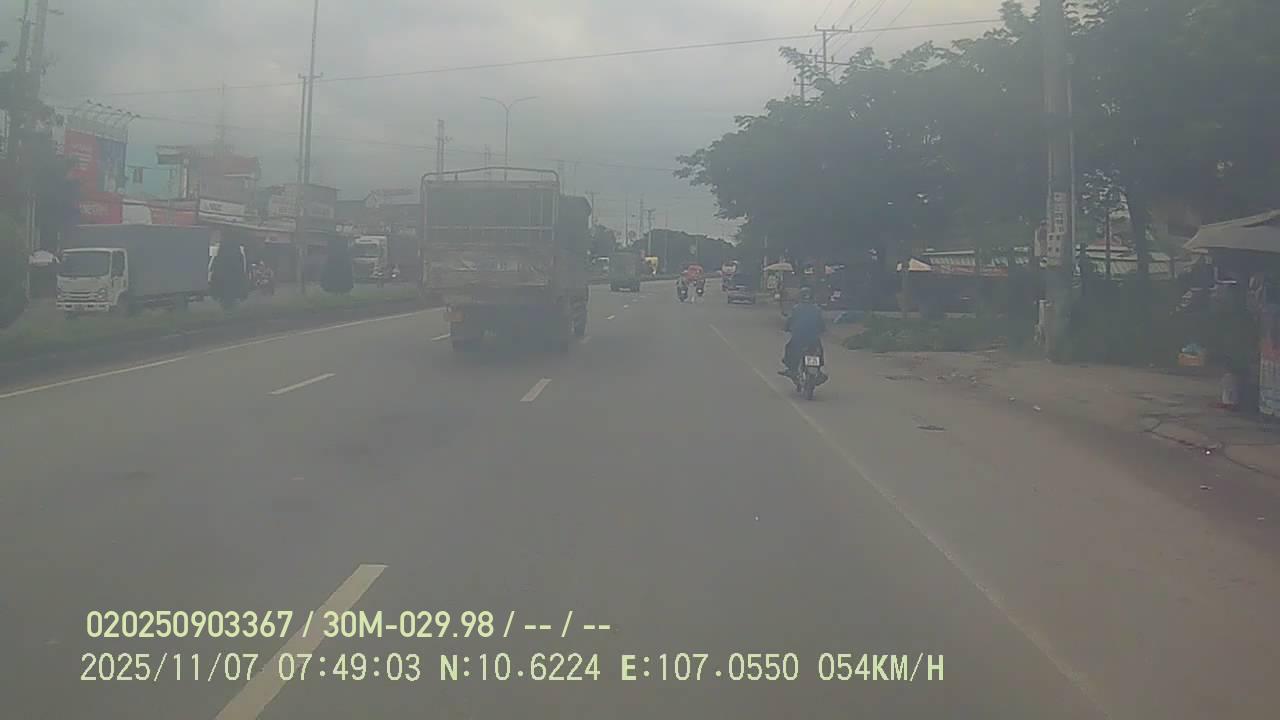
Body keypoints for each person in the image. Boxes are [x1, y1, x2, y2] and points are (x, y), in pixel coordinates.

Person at [779, 287, 826, 380]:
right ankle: (819, 370)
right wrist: (822, 330)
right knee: (818, 350)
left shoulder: (796, 308)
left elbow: (790, 320)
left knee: (789, 348)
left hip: (798, 338)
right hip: (813, 338)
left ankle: (791, 369)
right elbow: (821, 324)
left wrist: (786, 328)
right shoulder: (817, 309)